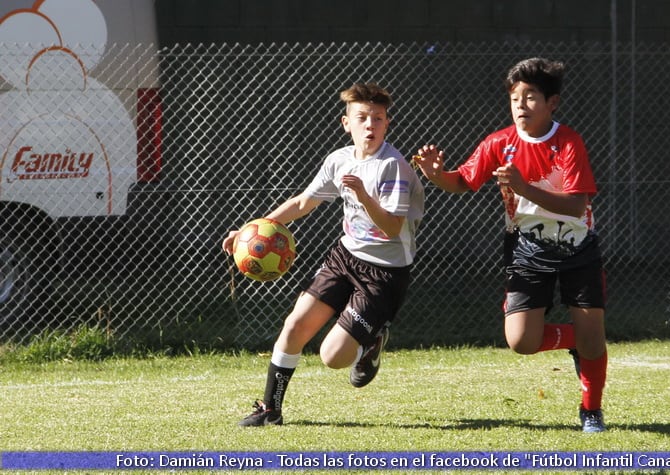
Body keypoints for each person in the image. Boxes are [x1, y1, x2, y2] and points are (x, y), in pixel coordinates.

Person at [413, 57, 608, 433]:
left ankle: (591, 410)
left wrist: (523, 188)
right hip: (528, 252)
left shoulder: (568, 142)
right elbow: (463, 181)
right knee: (520, 341)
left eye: (531, 97)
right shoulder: (499, 142)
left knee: (594, 341)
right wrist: (437, 176)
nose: (521, 105)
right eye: (515, 97)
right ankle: (576, 340)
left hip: (577, 250)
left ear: (552, 103)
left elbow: (575, 205)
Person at [222, 83, 424, 427]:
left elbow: (391, 228)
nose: (370, 125)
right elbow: (303, 202)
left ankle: (371, 341)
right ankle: (270, 409)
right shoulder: (339, 160)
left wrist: (363, 195)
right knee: (296, 325)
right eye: (361, 118)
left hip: (385, 272)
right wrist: (249, 229)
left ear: (387, 124)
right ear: (346, 123)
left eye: (378, 118)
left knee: (332, 357)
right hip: (344, 258)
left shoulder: (393, 167)